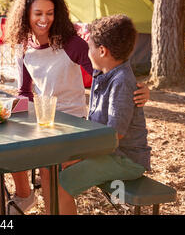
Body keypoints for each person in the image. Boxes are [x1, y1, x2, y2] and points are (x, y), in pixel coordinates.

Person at [0, 0, 150, 215]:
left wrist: (140, 90)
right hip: (41, 119)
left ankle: (47, 206)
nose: (44, 19)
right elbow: (25, 92)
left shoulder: (72, 44)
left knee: (49, 170)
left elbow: (108, 72)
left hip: (71, 122)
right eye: (38, 13)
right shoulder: (24, 46)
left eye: (50, 13)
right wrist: (6, 109)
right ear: (26, 15)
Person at [55, 14, 152, 214]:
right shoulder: (104, 72)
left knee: (61, 184)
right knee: (57, 165)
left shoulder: (121, 81)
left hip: (124, 159)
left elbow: (115, 134)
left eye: (89, 47)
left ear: (102, 50)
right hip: (109, 152)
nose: (87, 52)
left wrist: (81, 156)